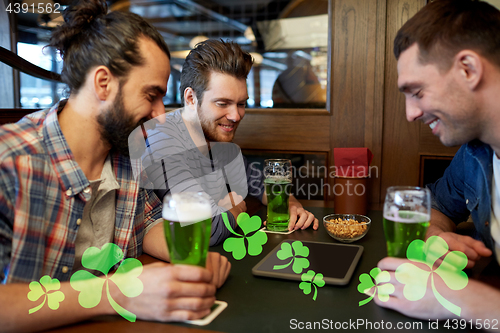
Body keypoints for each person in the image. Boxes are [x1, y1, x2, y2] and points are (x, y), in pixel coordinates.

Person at [0, 1, 230, 331]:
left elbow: (148, 221)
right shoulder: (10, 161)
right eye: (151, 95)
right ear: (103, 83)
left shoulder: (128, 153)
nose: (160, 113)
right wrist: (120, 294)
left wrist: (187, 258)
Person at [376, 0, 500, 324]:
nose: (410, 113)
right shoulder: (476, 153)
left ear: (468, 69)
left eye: (416, 91)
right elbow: (439, 206)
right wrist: (435, 234)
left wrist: (459, 300)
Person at [138, 39, 319, 247]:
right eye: (222, 103)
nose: (235, 115)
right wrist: (237, 208)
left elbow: (259, 184)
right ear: (191, 99)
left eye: (241, 104)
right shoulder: (162, 140)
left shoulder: (218, 141)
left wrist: (290, 205)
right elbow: (208, 230)